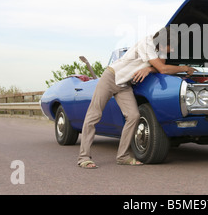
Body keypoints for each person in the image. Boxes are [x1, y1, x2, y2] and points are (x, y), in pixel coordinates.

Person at [77, 26, 196, 169]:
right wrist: (184, 68)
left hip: (125, 84)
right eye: (173, 46)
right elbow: (163, 69)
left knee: (133, 116)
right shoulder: (147, 43)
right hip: (111, 77)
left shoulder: (162, 48)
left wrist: (147, 68)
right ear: (164, 42)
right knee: (94, 115)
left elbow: (159, 68)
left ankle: (122, 156)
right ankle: (84, 157)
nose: (174, 50)